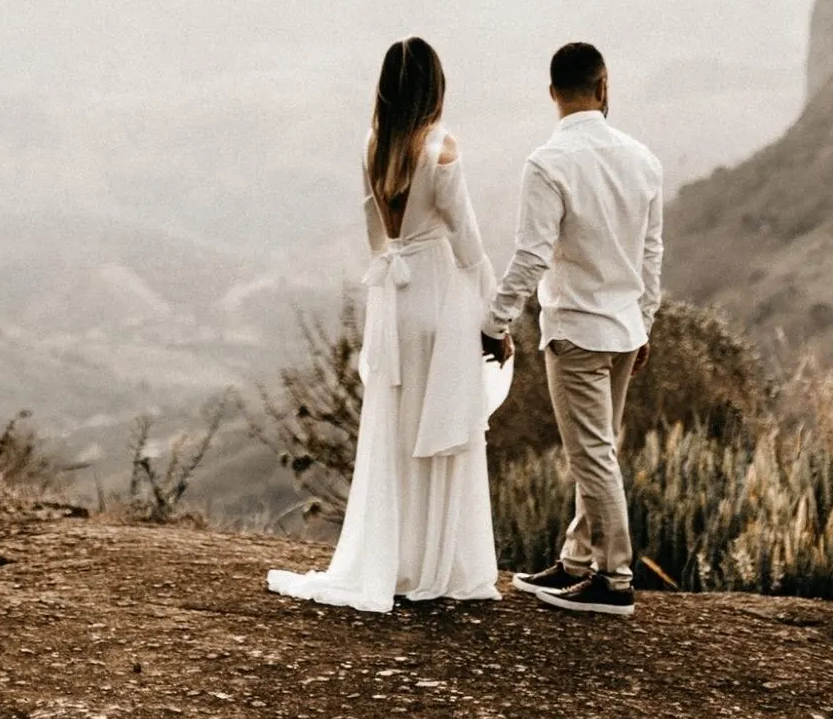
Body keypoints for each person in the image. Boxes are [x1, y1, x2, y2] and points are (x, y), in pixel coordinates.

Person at [267, 36, 510, 615]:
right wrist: (497, 317)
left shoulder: (375, 148)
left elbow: (378, 238)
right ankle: (440, 567)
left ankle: (394, 562)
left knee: (396, 434)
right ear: (435, 87)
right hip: (438, 295)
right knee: (441, 430)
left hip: (393, 303)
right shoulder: (441, 147)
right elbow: (469, 244)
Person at [482, 40, 662, 617]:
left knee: (591, 456)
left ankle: (614, 579)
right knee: (599, 449)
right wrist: (646, 322)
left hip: (577, 332)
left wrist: (495, 319)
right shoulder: (644, 160)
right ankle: (576, 560)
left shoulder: (548, 163)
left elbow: (532, 255)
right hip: (624, 330)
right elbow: (652, 254)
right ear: (604, 88)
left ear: (554, 92)